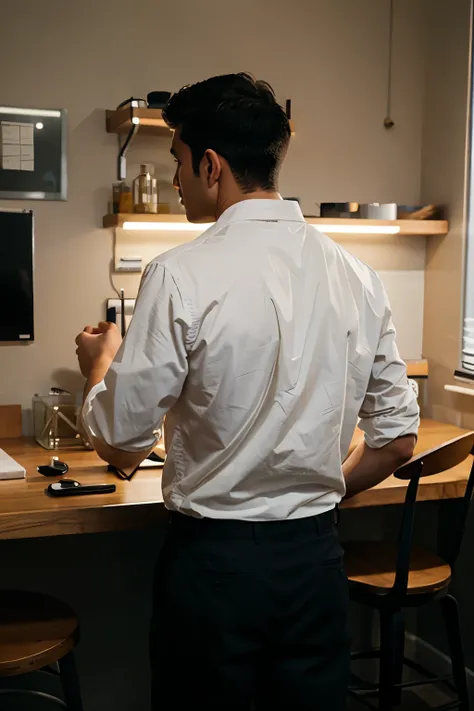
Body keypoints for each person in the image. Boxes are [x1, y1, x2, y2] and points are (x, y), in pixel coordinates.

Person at [75, 73, 419, 710]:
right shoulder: (358, 277)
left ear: (211, 165)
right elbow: (397, 442)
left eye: (176, 160)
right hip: (316, 563)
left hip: (215, 573)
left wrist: (100, 365)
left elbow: (121, 439)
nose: (175, 177)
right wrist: (311, 489)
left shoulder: (179, 273)